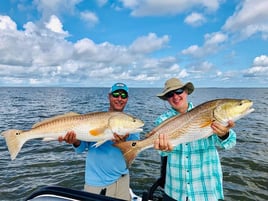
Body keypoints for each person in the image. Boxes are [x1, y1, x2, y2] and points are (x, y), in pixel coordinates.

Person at [153, 78, 236, 201]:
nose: (175, 97)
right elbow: (162, 152)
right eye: (170, 94)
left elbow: (230, 142)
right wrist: (163, 149)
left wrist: (223, 134)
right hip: (175, 190)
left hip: (205, 190)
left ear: (186, 92)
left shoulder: (207, 112)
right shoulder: (162, 120)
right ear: (166, 98)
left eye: (179, 91)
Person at [58, 83, 140, 201]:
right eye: (116, 94)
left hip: (123, 179)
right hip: (97, 183)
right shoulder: (95, 119)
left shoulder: (131, 125)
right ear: (109, 97)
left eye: (123, 95)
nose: (119, 99)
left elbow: (133, 152)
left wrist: (123, 143)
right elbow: (81, 148)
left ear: (127, 99)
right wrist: (75, 141)